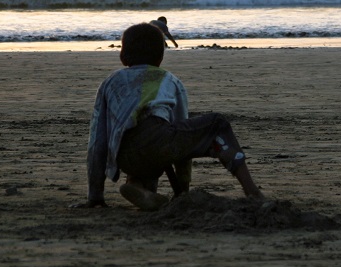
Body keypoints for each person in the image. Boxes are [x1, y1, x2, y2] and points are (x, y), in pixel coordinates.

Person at [77, 22, 263, 210]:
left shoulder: (109, 82)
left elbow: (97, 140)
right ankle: (251, 190)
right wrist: (182, 189)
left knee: (140, 145)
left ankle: (136, 186)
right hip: (159, 142)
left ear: (122, 56)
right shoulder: (170, 80)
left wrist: (95, 195)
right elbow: (180, 134)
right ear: (160, 57)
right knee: (217, 123)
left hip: (123, 155)